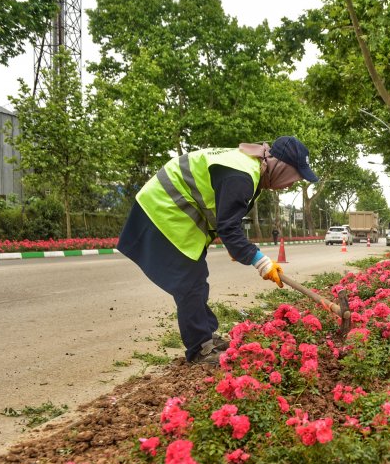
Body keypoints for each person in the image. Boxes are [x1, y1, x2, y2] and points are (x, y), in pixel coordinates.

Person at [118, 136, 319, 365]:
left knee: (195, 281)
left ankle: (206, 337)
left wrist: (237, 246)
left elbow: (226, 218)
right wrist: (261, 261)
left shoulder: (249, 167)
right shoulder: (242, 175)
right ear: (282, 168)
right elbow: (229, 228)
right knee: (189, 283)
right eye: (293, 178)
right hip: (163, 210)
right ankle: (200, 349)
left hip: (170, 210)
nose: (290, 185)